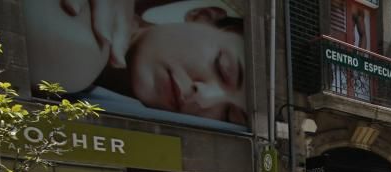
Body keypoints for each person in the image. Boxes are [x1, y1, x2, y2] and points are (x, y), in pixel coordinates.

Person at [24, 0, 246, 126]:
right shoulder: (81, 50)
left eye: (227, 115)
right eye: (224, 68)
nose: (204, 98)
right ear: (203, 16)